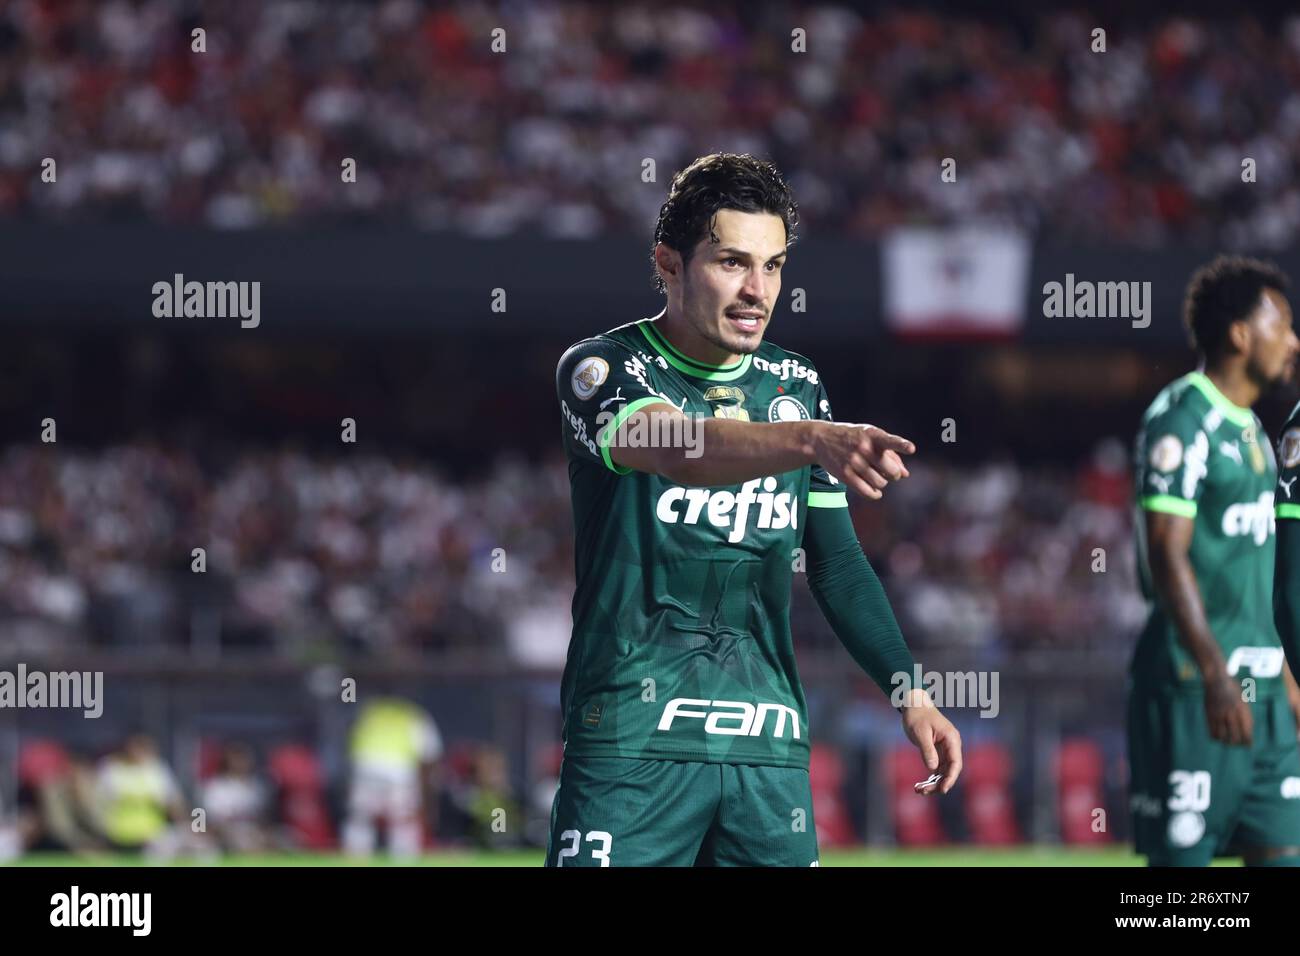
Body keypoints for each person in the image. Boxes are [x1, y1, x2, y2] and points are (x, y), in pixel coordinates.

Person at [548, 152, 962, 867]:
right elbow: (677, 448)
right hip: (631, 744)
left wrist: (910, 690)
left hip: (766, 754)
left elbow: (837, 565)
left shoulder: (796, 386)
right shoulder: (602, 367)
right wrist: (808, 439)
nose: (756, 291)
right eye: (732, 263)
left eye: (772, 267)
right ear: (669, 264)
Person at [1131, 254, 1300, 866]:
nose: (1292, 341)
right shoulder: (1183, 416)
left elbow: (1261, 583)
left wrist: (1286, 684)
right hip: (1195, 691)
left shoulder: (1255, 430)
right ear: (1239, 333)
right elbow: (1164, 555)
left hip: (1266, 699)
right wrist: (1214, 673)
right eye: (1281, 324)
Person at [343, 697, 442, 856]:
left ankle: (356, 856)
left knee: (361, 818)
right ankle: (403, 858)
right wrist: (425, 793)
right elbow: (428, 754)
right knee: (403, 819)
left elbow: (350, 744)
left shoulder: (368, 711)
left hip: (366, 768)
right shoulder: (413, 714)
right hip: (398, 771)